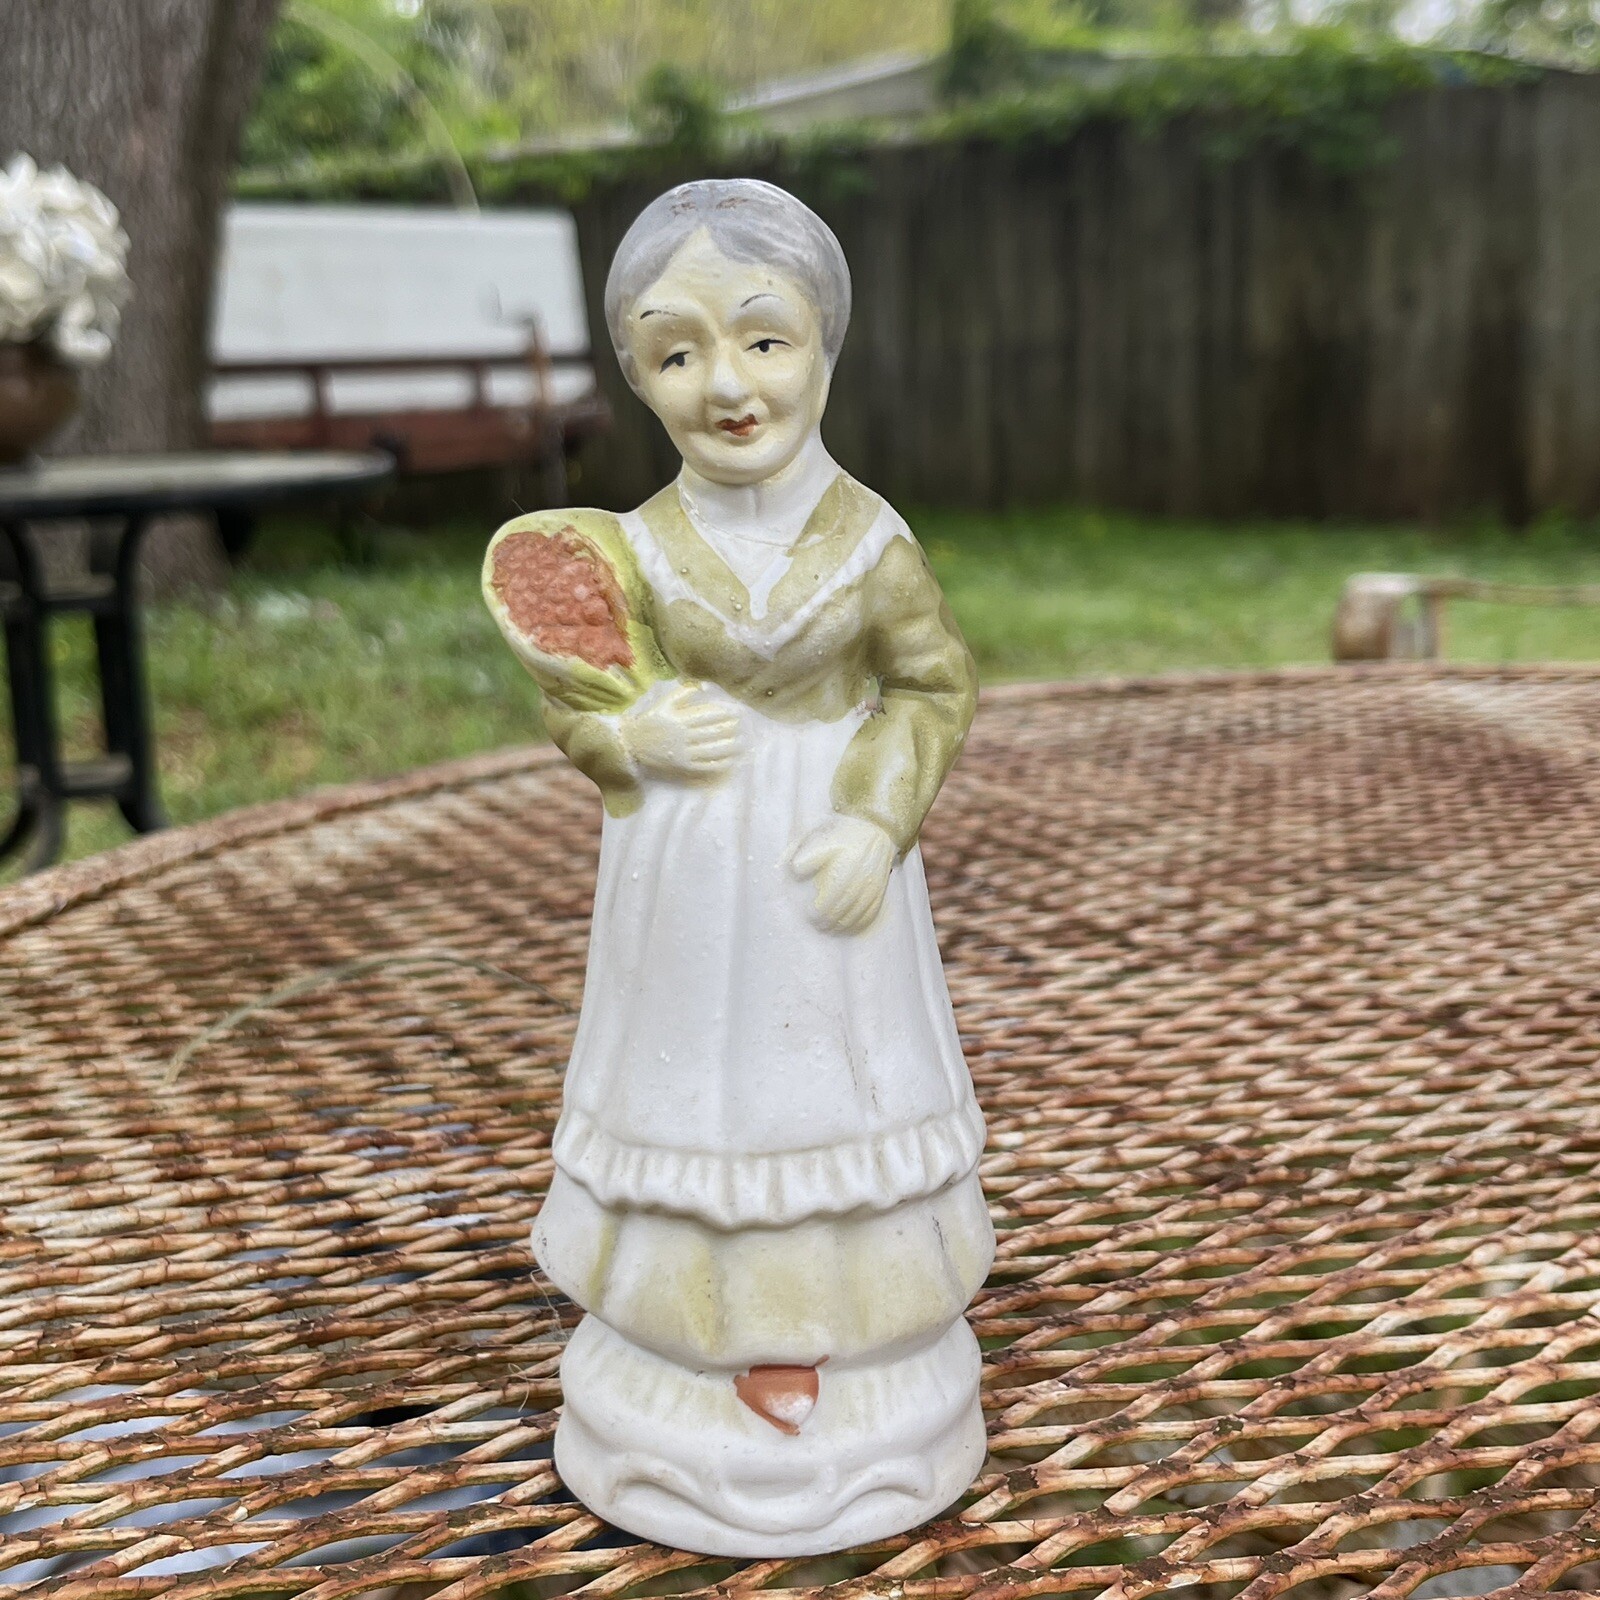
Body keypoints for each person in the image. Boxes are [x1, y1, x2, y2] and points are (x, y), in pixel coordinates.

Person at [517, 178, 991, 1556]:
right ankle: (689, 1340)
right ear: (639, 378)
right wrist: (630, 726)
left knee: (831, 1094)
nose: (727, 384)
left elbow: (932, 687)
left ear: (824, 347)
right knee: (692, 1102)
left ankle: (840, 1340)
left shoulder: (873, 544)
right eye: (677, 352)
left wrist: (873, 816)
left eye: (763, 339)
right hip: (686, 884)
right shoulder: (638, 552)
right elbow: (578, 694)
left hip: (824, 889)